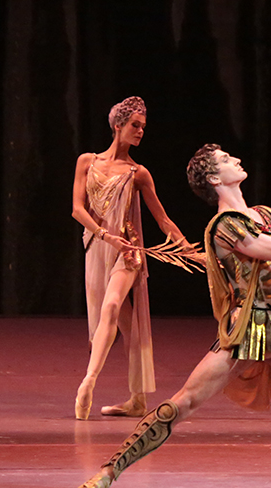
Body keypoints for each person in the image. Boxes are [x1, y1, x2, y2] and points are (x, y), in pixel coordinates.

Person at [69, 144, 271, 488]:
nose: (238, 160)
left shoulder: (261, 215)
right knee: (180, 405)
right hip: (245, 331)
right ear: (215, 178)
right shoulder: (224, 227)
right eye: (227, 160)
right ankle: (105, 474)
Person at [72, 96, 191, 420]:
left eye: (143, 127)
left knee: (111, 306)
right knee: (124, 324)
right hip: (98, 248)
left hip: (129, 252)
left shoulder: (138, 173)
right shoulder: (88, 162)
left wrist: (189, 249)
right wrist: (103, 234)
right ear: (117, 126)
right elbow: (78, 209)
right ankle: (137, 400)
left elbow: (163, 220)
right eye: (135, 126)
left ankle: (88, 382)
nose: (140, 132)